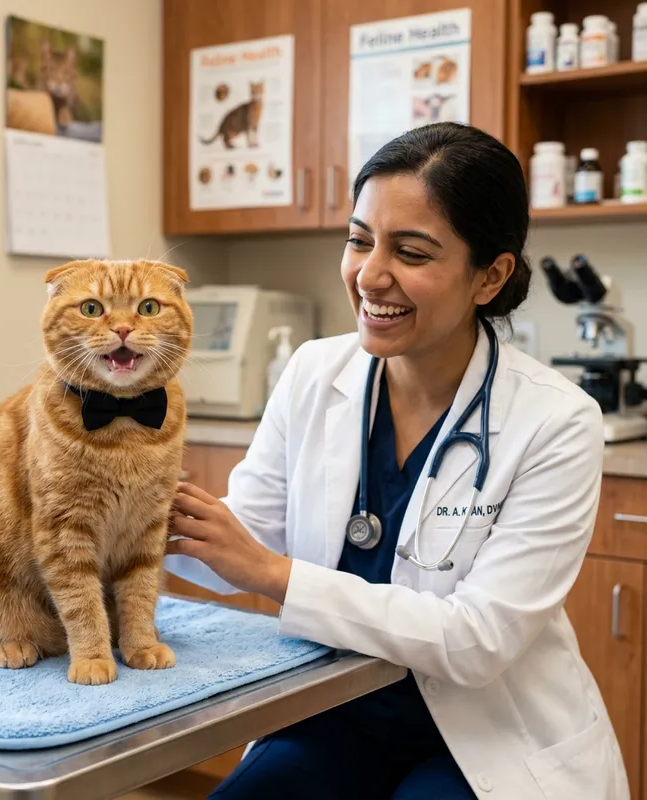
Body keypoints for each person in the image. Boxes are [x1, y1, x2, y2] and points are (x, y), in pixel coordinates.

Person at [164, 122, 628, 799]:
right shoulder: (314, 372)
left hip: (487, 732)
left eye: (410, 251)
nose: (369, 275)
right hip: (333, 708)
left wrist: (273, 574)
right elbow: (245, 534)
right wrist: (124, 513)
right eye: (359, 240)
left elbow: (477, 640)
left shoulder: (556, 421)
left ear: (491, 276)